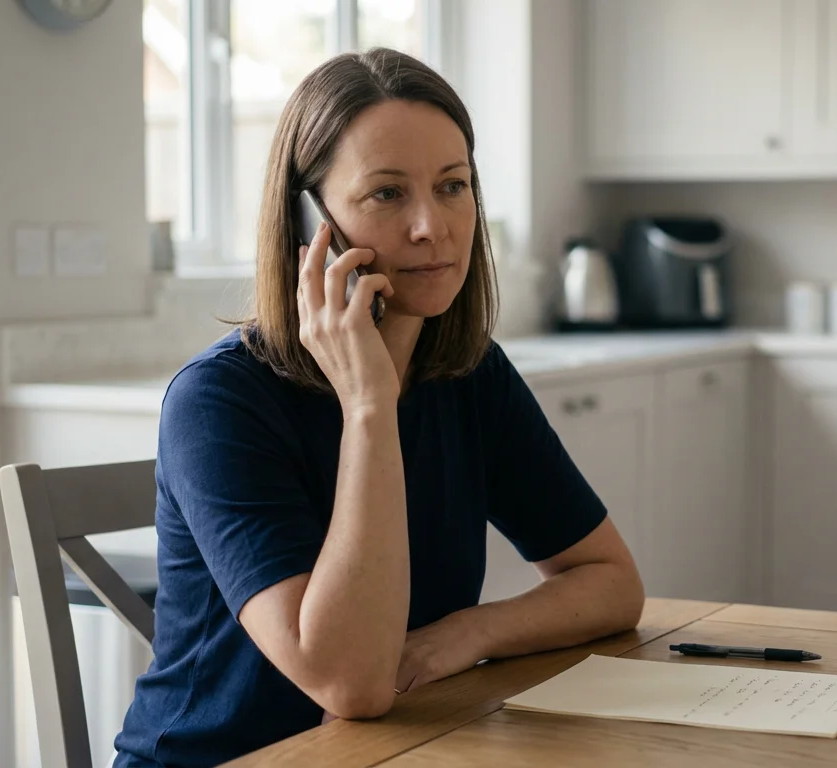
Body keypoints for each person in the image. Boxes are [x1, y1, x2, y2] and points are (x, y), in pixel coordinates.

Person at [112, 48, 645, 767]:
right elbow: (352, 682)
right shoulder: (219, 404)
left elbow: (613, 583)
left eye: (453, 186)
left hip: (396, 749)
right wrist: (368, 403)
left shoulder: (468, 371)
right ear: (312, 225)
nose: (434, 226)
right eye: (388, 195)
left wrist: (467, 633)